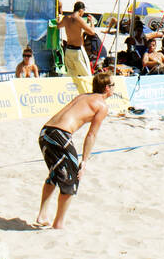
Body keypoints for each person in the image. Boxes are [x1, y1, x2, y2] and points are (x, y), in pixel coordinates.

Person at [35, 73, 113, 229]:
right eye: (113, 85)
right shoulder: (102, 105)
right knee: (72, 178)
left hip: (45, 132)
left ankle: (42, 214)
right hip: (60, 135)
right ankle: (59, 223)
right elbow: (91, 134)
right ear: (106, 88)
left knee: (55, 174)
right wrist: (84, 161)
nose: (113, 88)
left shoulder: (83, 96)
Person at [60, 2, 100, 84]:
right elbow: (92, 32)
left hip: (68, 50)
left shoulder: (66, 18)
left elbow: (58, 25)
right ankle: (90, 93)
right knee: (87, 74)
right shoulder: (79, 19)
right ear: (81, 10)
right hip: (78, 51)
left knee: (70, 75)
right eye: (83, 11)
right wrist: (92, 22)